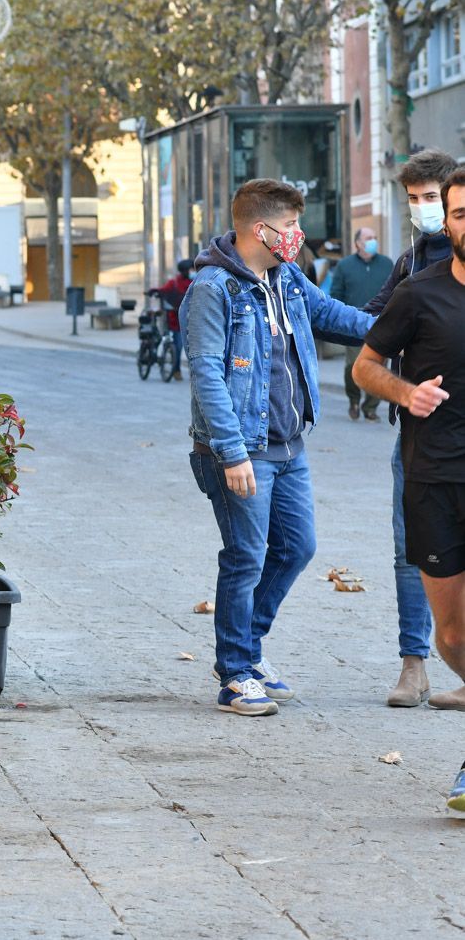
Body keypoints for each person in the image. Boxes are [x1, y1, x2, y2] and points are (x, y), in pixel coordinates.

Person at [181, 178, 373, 716]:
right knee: (245, 558)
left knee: (297, 548)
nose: (297, 235)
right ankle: (236, 673)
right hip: (240, 450)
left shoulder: (285, 276)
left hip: (290, 447)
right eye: (289, 226)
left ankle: (250, 649)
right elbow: (207, 376)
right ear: (259, 229)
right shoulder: (214, 289)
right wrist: (231, 451)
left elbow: (333, 316)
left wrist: (398, 330)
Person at [350, 167, 465, 809]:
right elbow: (366, 366)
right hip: (433, 479)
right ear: (448, 224)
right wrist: (405, 391)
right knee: (452, 636)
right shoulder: (417, 294)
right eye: (458, 213)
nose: (461, 221)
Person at [364, 149, 460, 707]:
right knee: (412, 550)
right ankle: (413, 665)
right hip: (420, 439)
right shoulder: (410, 263)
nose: (424, 210)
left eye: (432, 199)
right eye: (415, 200)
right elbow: (371, 326)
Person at [328, 227, 393, 420]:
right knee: (352, 367)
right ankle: (354, 400)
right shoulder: (345, 266)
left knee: (379, 368)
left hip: (381, 326)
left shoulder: (387, 264)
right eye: (368, 238)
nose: (373, 241)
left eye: (374, 237)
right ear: (357, 243)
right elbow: (335, 295)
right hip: (353, 326)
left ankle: (370, 407)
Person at [150, 259, 192, 379]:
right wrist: (156, 291)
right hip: (177, 322)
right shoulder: (174, 283)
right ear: (184, 271)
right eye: (191, 269)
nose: (193, 271)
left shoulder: (196, 282)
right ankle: (176, 370)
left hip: (193, 321)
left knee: (194, 350)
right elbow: (164, 290)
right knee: (178, 346)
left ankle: (194, 373)